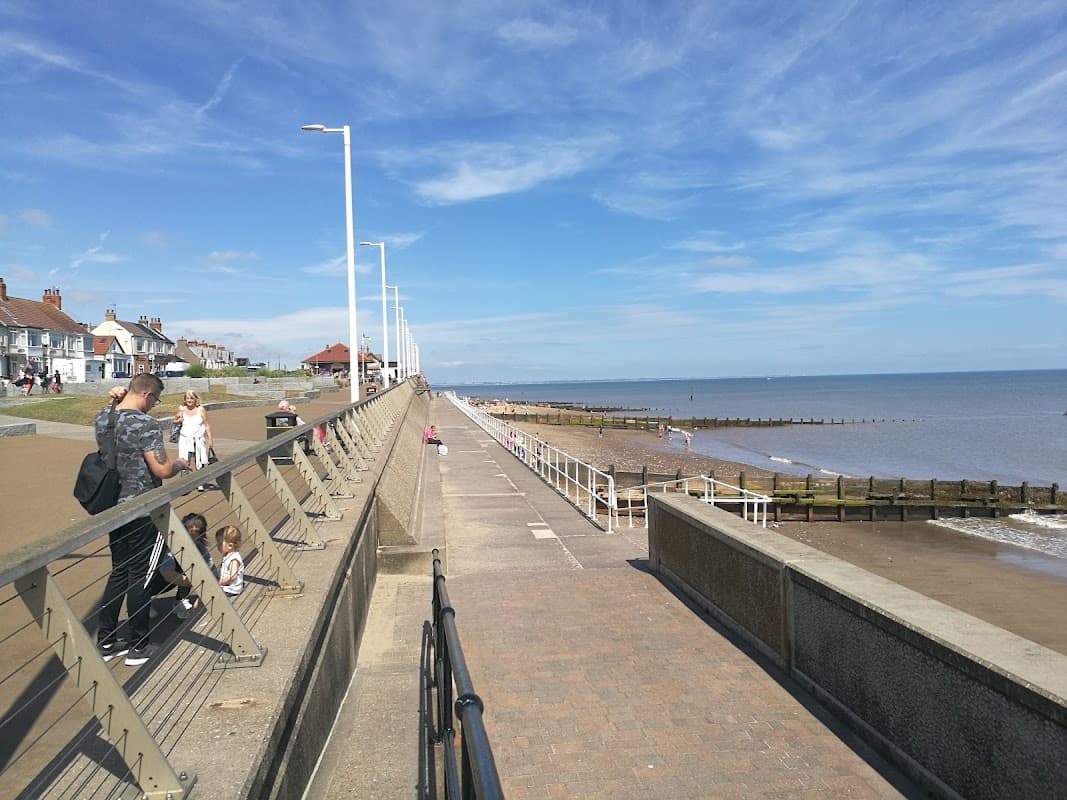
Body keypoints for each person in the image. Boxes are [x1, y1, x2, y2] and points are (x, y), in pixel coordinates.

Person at [95, 374, 189, 667]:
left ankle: (107, 641)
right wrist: (179, 464)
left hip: (112, 508)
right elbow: (160, 469)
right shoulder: (146, 424)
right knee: (141, 575)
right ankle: (138, 645)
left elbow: (112, 416)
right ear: (147, 393)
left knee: (118, 572)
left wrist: (114, 399)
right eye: (155, 400)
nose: (154, 406)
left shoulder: (103, 418)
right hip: (142, 509)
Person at [145, 512, 214, 619]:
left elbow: (209, 566)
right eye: (189, 532)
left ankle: (179, 601)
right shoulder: (169, 544)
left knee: (193, 567)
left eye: (197, 533)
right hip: (155, 578)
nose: (192, 537)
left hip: (174, 577)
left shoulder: (199, 546)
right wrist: (193, 581)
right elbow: (167, 573)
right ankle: (143, 603)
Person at [173, 391, 213, 492]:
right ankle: (184, 485)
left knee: (199, 461)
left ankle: (200, 483)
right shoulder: (181, 409)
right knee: (184, 461)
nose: (189, 400)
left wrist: (210, 439)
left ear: (196, 399)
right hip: (184, 439)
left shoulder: (201, 410)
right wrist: (178, 421)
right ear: (184, 400)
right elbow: (174, 420)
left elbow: (207, 425)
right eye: (187, 398)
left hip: (198, 439)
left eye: (191, 398)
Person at [216, 525, 245, 597]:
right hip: (228, 587)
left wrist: (219, 583)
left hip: (230, 590)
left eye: (219, 543)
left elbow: (233, 576)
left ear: (230, 545)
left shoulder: (234, 559)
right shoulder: (230, 555)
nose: (217, 546)